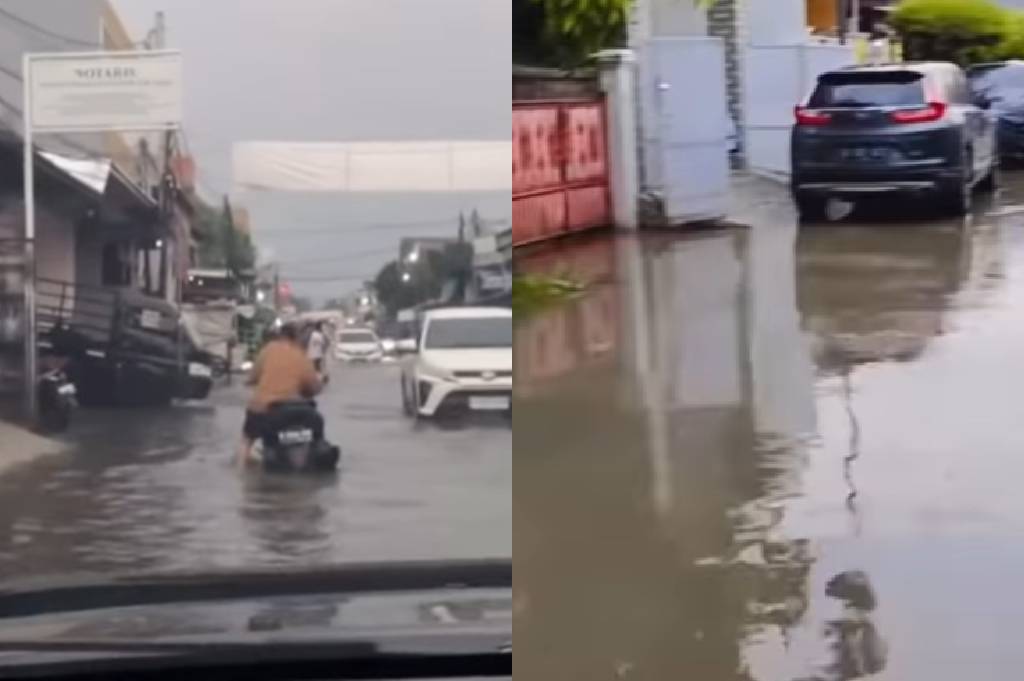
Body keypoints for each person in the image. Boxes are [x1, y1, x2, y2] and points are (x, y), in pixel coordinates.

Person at [238, 322, 323, 465]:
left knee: (247, 439)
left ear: (279, 335)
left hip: (264, 409)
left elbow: (253, 377)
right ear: (297, 338)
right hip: (297, 413)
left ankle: (241, 471)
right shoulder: (302, 356)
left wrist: (253, 381)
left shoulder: (268, 350)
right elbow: (314, 387)